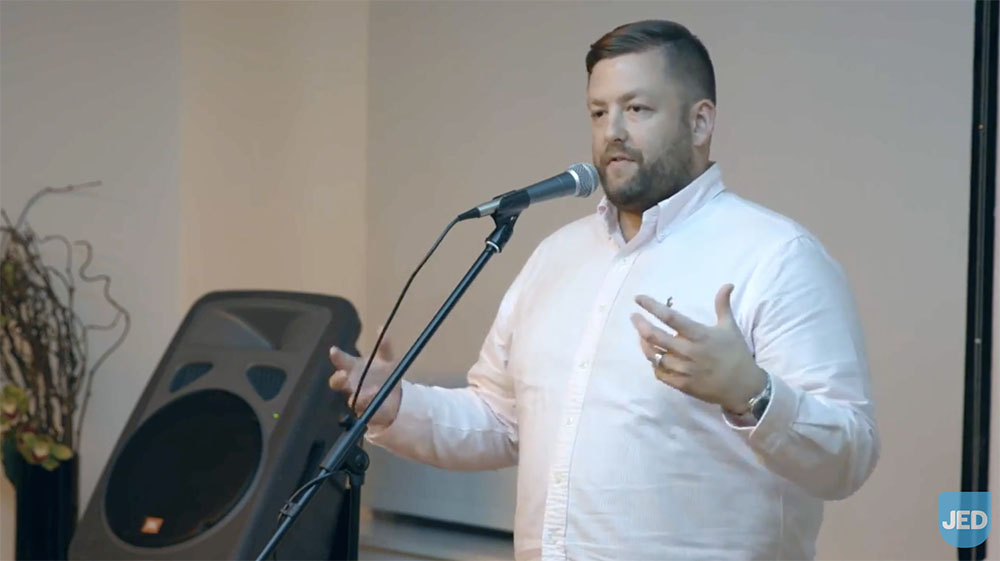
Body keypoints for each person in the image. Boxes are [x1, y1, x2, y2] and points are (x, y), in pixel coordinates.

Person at [328, 19, 879, 561]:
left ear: (700, 122)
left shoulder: (777, 257)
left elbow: (848, 458)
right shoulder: (556, 257)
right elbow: (500, 419)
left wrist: (750, 393)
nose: (612, 129)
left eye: (637, 109)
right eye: (598, 111)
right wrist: (396, 405)